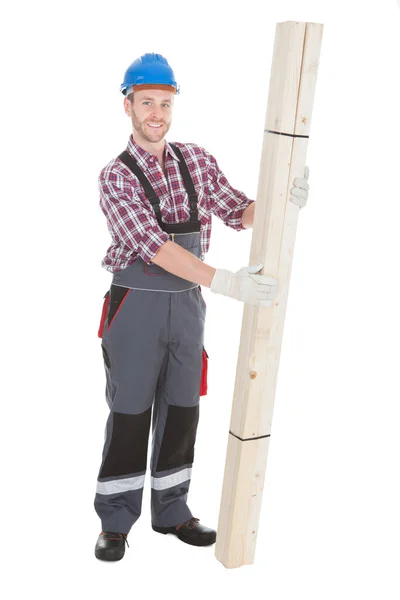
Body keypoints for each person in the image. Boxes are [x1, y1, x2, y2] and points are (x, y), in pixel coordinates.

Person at [94, 52, 309, 562]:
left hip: (188, 308)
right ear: (128, 106)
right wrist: (226, 282)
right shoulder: (116, 176)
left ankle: (172, 512)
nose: (157, 113)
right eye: (146, 102)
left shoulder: (196, 161)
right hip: (136, 308)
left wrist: (284, 199)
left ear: (174, 105)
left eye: (165, 102)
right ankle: (116, 522)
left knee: (184, 409)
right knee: (130, 414)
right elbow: (154, 246)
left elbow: (240, 212)